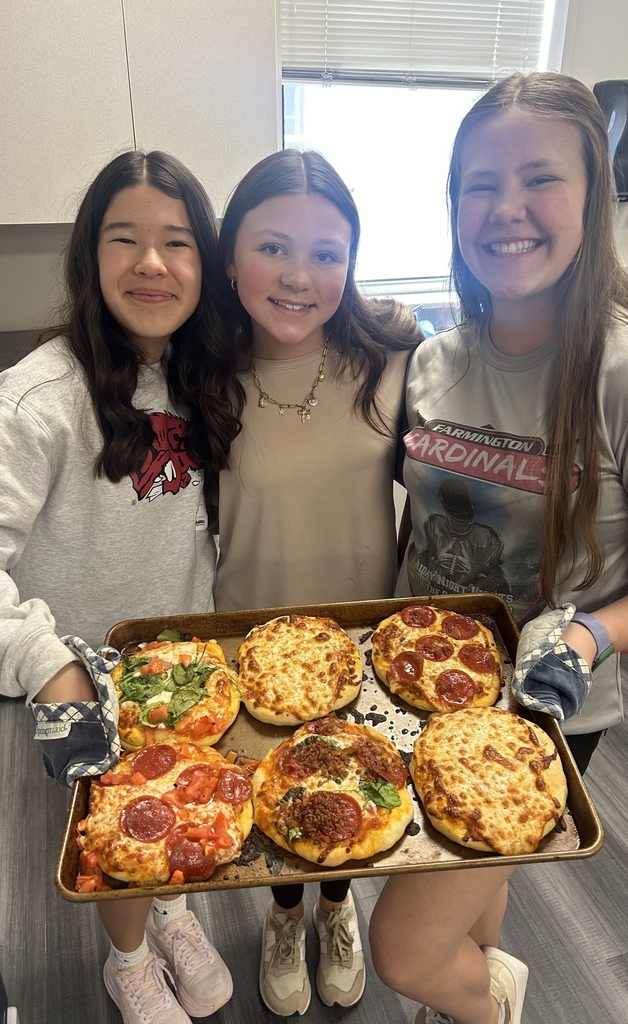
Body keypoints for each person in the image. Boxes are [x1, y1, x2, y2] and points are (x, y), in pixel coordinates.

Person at [370, 71, 628, 1024]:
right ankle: (477, 976)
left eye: (538, 179)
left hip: (542, 709)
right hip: (416, 684)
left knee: (402, 949)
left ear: (594, 197)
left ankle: (489, 1005)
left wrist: (588, 635)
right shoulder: (435, 359)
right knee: (475, 889)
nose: (505, 208)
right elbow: (420, 515)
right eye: (479, 184)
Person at [0, 150, 242, 1024]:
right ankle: (129, 959)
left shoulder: (201, 368)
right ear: (88, 255)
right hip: (90, 683)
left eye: (178, 242)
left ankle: (175, 918)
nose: (152, 263)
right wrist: (45, 662)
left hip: (186, 673)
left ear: (206, 264)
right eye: (125, 239)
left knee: (179, 811)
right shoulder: (39, 399)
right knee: (122, 829)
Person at [213, 148, 424, 1016]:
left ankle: (336, 910)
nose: (300, 276)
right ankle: (284, 914)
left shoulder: (395, 354)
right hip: (252, 640)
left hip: (365, 643)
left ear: (352, 262)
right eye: (273, 247)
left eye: (328, 254)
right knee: (280, 798)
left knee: (356, 787)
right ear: (230, 257)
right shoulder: (195, 372)